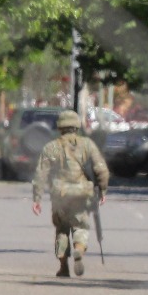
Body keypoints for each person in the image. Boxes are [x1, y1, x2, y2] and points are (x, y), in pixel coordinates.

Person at [31, 110, 108, 277]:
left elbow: (40, 175)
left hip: (60, 196)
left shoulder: (51, 147)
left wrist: (37, 198)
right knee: (81, 226)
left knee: (62, 229)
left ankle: (63, 266)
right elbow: (101, 170)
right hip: (82, 195)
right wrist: (102, 190)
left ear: (59, 127)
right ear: (77, 126)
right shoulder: (88, 145)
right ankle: (79, 249)